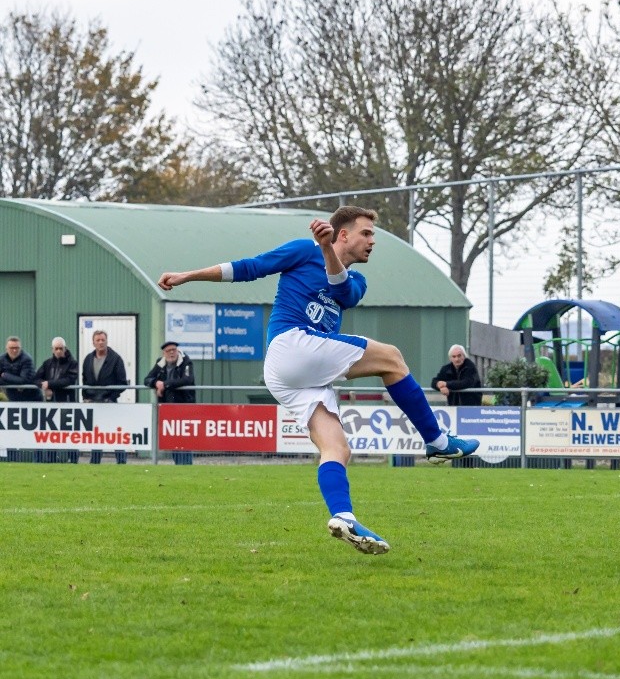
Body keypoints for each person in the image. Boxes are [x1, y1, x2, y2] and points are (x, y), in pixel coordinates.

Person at [156, 205, 480, 555]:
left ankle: (343, 517)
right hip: (290, 346)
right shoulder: (301, 250)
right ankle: (436, 439)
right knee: (392, 358)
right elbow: (247, 268)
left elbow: (341, 292)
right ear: (344, 234)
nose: (373, 241)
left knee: (337, 449)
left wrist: (327, 250)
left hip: (293, 374)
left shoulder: (358, 281)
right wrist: (187, 275)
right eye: (366, 233)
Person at [82, 330, 131, 464]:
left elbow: (122, 383)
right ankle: (95, 461)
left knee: (116, 432)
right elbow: (84, 380)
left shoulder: (116, 359)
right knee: (96, 433)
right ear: (93, 342)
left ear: (107, 341)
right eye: (98, 340)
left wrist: (111, 397)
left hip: (110, 403)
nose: (100, 342)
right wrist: (85, 396)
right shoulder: (88, 359)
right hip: (93, 403)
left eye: (103, 340)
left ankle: (121, 461)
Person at [37, 337, 80, 403]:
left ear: (65, 349)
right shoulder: (47, 363)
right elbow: (36, 378)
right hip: (50, 401)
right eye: (56, 348)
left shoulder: (72, 363)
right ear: (52, 349)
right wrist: (44, 386)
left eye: (61, 348)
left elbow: (69, 380)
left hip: (67, 402)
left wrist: (49, 384)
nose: (58, 351)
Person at [1, 337, 38, 402]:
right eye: (12, 348)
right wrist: (15, 381)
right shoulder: (2, 359)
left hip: (32, 398)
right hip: (13, 397)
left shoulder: (27, 359)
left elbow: (23, 380)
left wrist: (5, 376)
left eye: (17, 348)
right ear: (6, 349)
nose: (14, 350)